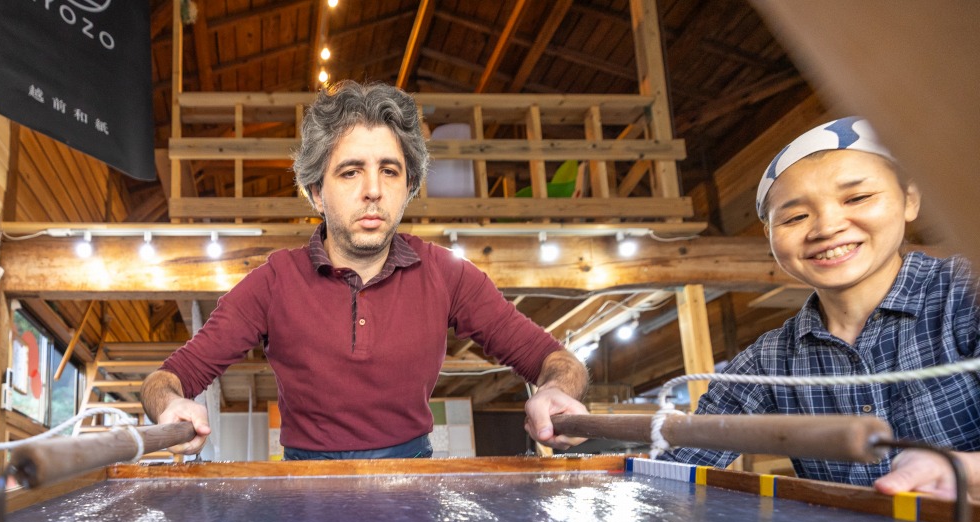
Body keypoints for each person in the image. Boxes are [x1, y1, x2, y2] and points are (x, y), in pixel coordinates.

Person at [142, 81, 588, 459]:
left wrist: (556, 390)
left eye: (390, 171)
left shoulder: (448, 275)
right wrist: (170, 405)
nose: (373, 190)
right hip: (305, 486)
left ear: (408, 187)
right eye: (351, 172)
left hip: (412, 477)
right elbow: (166, 380)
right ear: (316, 193)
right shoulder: (273, 282)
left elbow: (557, 361)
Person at [661, 118, 980, 500]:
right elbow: (681, 461)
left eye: (857, 198)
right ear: (771, 236)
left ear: (909, 198)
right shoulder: (768, 361)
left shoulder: (967, 296)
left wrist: (966, 469)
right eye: (795, 217)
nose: (827, 227)